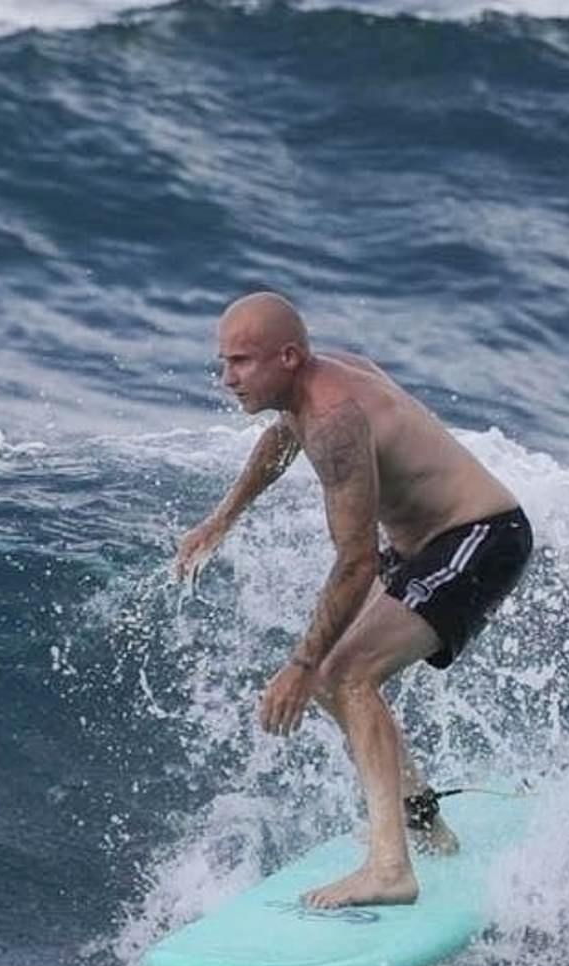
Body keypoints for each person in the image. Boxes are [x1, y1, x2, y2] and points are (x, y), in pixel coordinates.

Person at [175, 292, 533, 909]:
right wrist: (223, 518)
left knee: (343, 673)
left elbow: (356, 560)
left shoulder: (337, 416)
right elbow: (284, 437)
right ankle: (420, 822)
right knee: (332, 676)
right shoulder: (307, 386)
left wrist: (299, 663)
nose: (227, 378)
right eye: (223, 361)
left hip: (479, 537)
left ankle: (390, 869)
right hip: (426, 543)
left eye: (240, 362)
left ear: (287, 357)